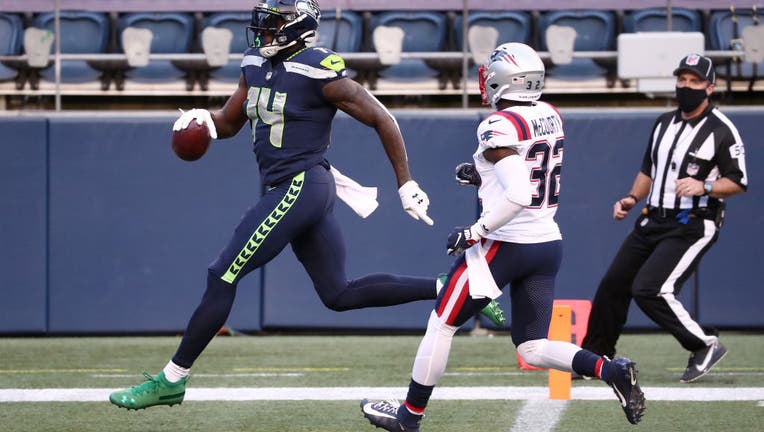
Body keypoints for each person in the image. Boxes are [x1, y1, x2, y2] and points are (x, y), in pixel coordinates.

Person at [109, 0, 445, 410]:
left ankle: (172, 379)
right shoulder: (255, 62)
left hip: (299, 185)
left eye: (272, 24)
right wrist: (203, 120)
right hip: (296, 187)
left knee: (222, 274)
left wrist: (405, 181)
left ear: (297, 27)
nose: (263, 31)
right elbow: (230, 122)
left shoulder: (318, 70)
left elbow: (381, 117)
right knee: (338, 293)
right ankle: (451, 287)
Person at [360, 42, 646, 431]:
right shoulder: (549, 114)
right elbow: (528, 173)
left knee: (442, 323)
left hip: (507, 244)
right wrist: (482, 176)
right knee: (532, 346)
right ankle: (611, 370)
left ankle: (409, 417)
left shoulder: (498, 125)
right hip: (546, 242)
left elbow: (519, 192)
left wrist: (474, 231)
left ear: (503, 80)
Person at [580, 53, 748, 383]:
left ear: (709, 88)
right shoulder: (663, 123)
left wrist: (705, 185)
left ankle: (703, 344)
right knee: (613, 285)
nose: (685, 86)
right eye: (682, 80)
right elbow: (649, 170)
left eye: (694, 81)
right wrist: (630, 198)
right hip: (652, 219)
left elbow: (738, 182)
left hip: (693, 222)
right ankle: (597, 357)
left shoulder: (722, 130)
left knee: (651, 289)